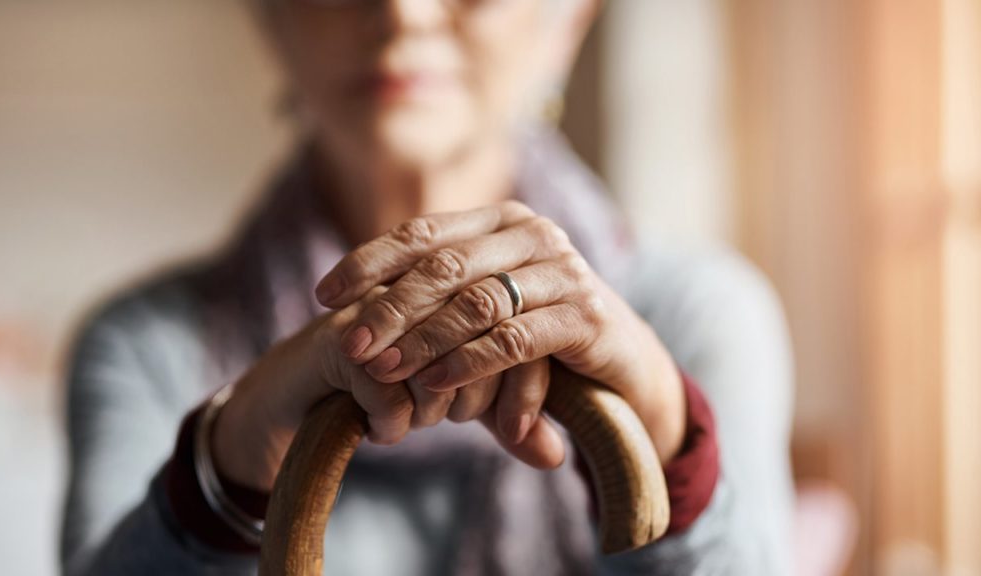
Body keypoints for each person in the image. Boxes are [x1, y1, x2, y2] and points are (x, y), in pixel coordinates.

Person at [60, 0, 795, 574]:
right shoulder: (143, 344)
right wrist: (228, 466)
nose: (403, 14)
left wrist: (667, 440)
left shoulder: (702, 314)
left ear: (564, 21)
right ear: (272, 20)